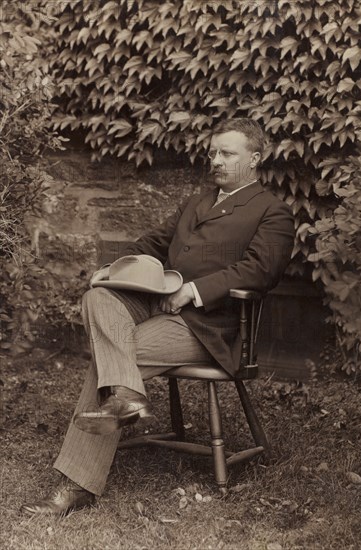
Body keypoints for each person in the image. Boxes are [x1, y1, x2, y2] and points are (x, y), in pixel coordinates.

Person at [21, 117, 295, 516]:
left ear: (255, 158)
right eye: (213, 152)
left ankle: (78, 483)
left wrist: (193, 291)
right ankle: (128, 395)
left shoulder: (272, 212)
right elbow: (153, 242)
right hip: (158, 302)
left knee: (111, 358)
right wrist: (111, 269)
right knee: (98, 297)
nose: (215, 160)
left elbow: (259, 271)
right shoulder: (198, 202)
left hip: (209, 326)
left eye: (227, 153)